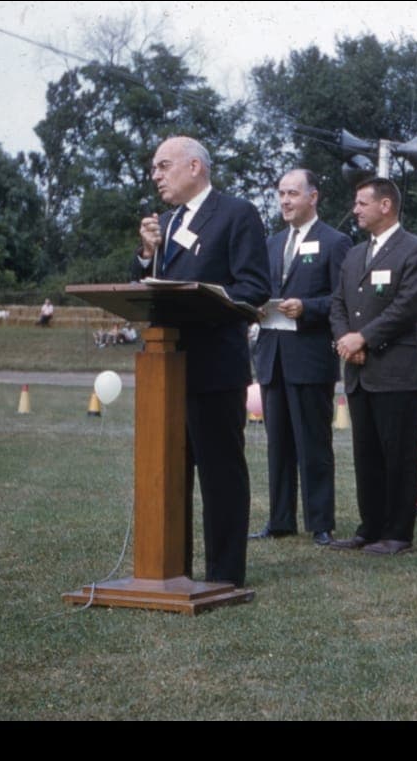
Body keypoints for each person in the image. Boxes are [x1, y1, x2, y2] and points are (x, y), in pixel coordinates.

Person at [129, 136, 271, 588]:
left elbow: (253, 288)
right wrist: (147, 255)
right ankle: (173, 566)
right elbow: (149, 291)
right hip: (167, 371)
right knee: (168, 472)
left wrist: (206, 299)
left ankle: (225, 572)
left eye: (163, 165)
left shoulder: (236, 213)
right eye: (153, 167)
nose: (155, 175)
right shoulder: (166, 223)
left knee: (219, 472)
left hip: (215, 368)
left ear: (195, 167)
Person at [329, 178, 417, 555]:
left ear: (385, 205)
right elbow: (338, 303)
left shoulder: (416, 249)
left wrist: (365, 338)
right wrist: (346, 339)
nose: (355, 210)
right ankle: (369, 528)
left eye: (361, 203)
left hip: (395, 370)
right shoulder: (354, 255)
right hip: (359, 371)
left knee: (399, 455)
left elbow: (406, 306)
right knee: (367, 454)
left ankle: (397, 533)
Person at [249, 169, 351, 547]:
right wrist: (256, 306)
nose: (286, 201)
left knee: (313, 444)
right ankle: (280, 520)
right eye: (281, 194)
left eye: (293, 193)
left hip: (310, 358)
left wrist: (306, 306)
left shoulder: (335, 242)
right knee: (278, 444)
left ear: (314, 197)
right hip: (272, 357)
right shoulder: (272, 243)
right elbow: (258, 289)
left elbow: (343, 300)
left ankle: (321, 522)